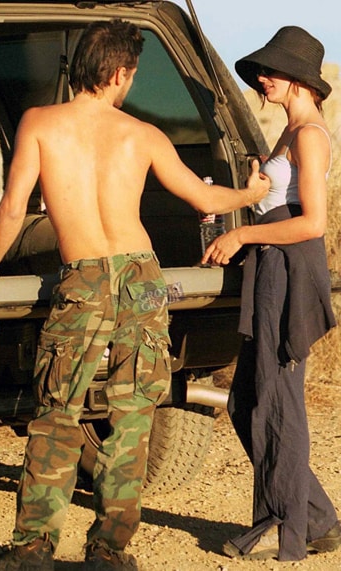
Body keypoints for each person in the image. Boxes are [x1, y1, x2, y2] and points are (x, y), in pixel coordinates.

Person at [0, 19, 269, 571]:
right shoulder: (142, 134)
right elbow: (202, 198)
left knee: (57, 414)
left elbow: (14, 206)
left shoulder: (40, 123)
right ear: (120, 73)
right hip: (141, 279)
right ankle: (108, 552)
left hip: (83, 279)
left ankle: (32, 549)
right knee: (133, 416)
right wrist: (251, 192)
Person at [203, 26, 340, 562]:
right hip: (269, 269)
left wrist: (242, 236)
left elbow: (313, 223)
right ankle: (319, 519)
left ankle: (283, 526)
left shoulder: (309, 135)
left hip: (288, 270)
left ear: (300, 78)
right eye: (261, 70)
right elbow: (273, 198)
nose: (262, 78)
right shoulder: (288, 131)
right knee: (248, 401)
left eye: (272, 70)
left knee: (277, 404)